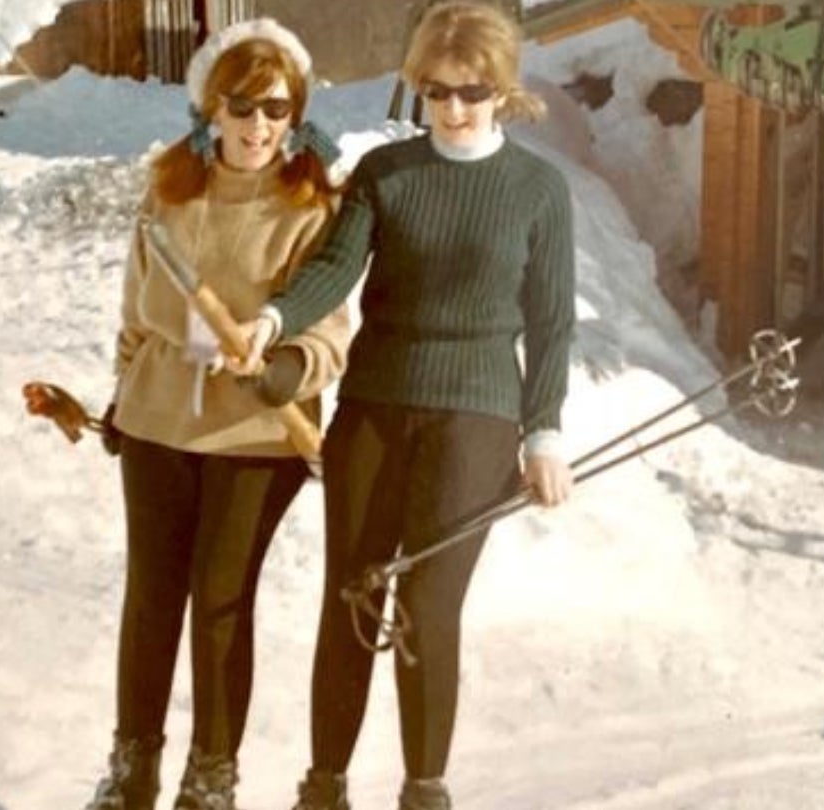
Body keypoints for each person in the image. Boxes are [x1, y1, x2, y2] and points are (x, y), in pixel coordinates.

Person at [232, 4, 576, 809]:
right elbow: (333, 267)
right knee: (351, 598)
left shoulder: (537, 189)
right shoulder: (388, 176)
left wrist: (545, 434)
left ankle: (424, 792)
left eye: (471, 93)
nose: (453, 110)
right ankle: (323, 788)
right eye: (435, 91)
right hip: (375, 410)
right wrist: (274, 318)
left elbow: (552, 324)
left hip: (476, 420)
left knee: (424, 608)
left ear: (501, 90)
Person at [84, 18, 350, 810]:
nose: (259, 126)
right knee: (152, 593)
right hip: (159, 420)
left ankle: (211, 778)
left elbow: (329, 332)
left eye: (276, 109)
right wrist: (123, 394)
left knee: (220, 598)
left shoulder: (310, 208)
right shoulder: (167, 193)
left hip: (255, 434)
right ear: (211, 108)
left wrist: (285, 368)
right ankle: (132, 771)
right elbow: (137, 310)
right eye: (243, 106)